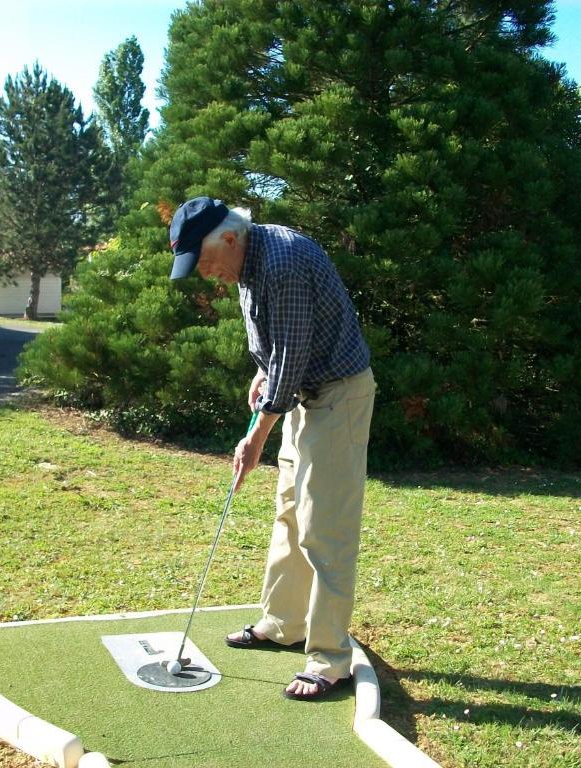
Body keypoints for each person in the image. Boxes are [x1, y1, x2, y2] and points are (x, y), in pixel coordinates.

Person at [169, 196, 375, 701]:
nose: (204, 274)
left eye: (205, 260)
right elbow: (276, 346)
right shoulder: (247, 266)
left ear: (231, 239)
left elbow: (294, 354)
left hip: (337, 396)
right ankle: (284, 623)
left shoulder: (280, 262)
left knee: (325, 527)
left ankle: (329, 660)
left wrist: (255, 435)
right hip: (304, 397)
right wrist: (261, 370)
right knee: (289, 512)